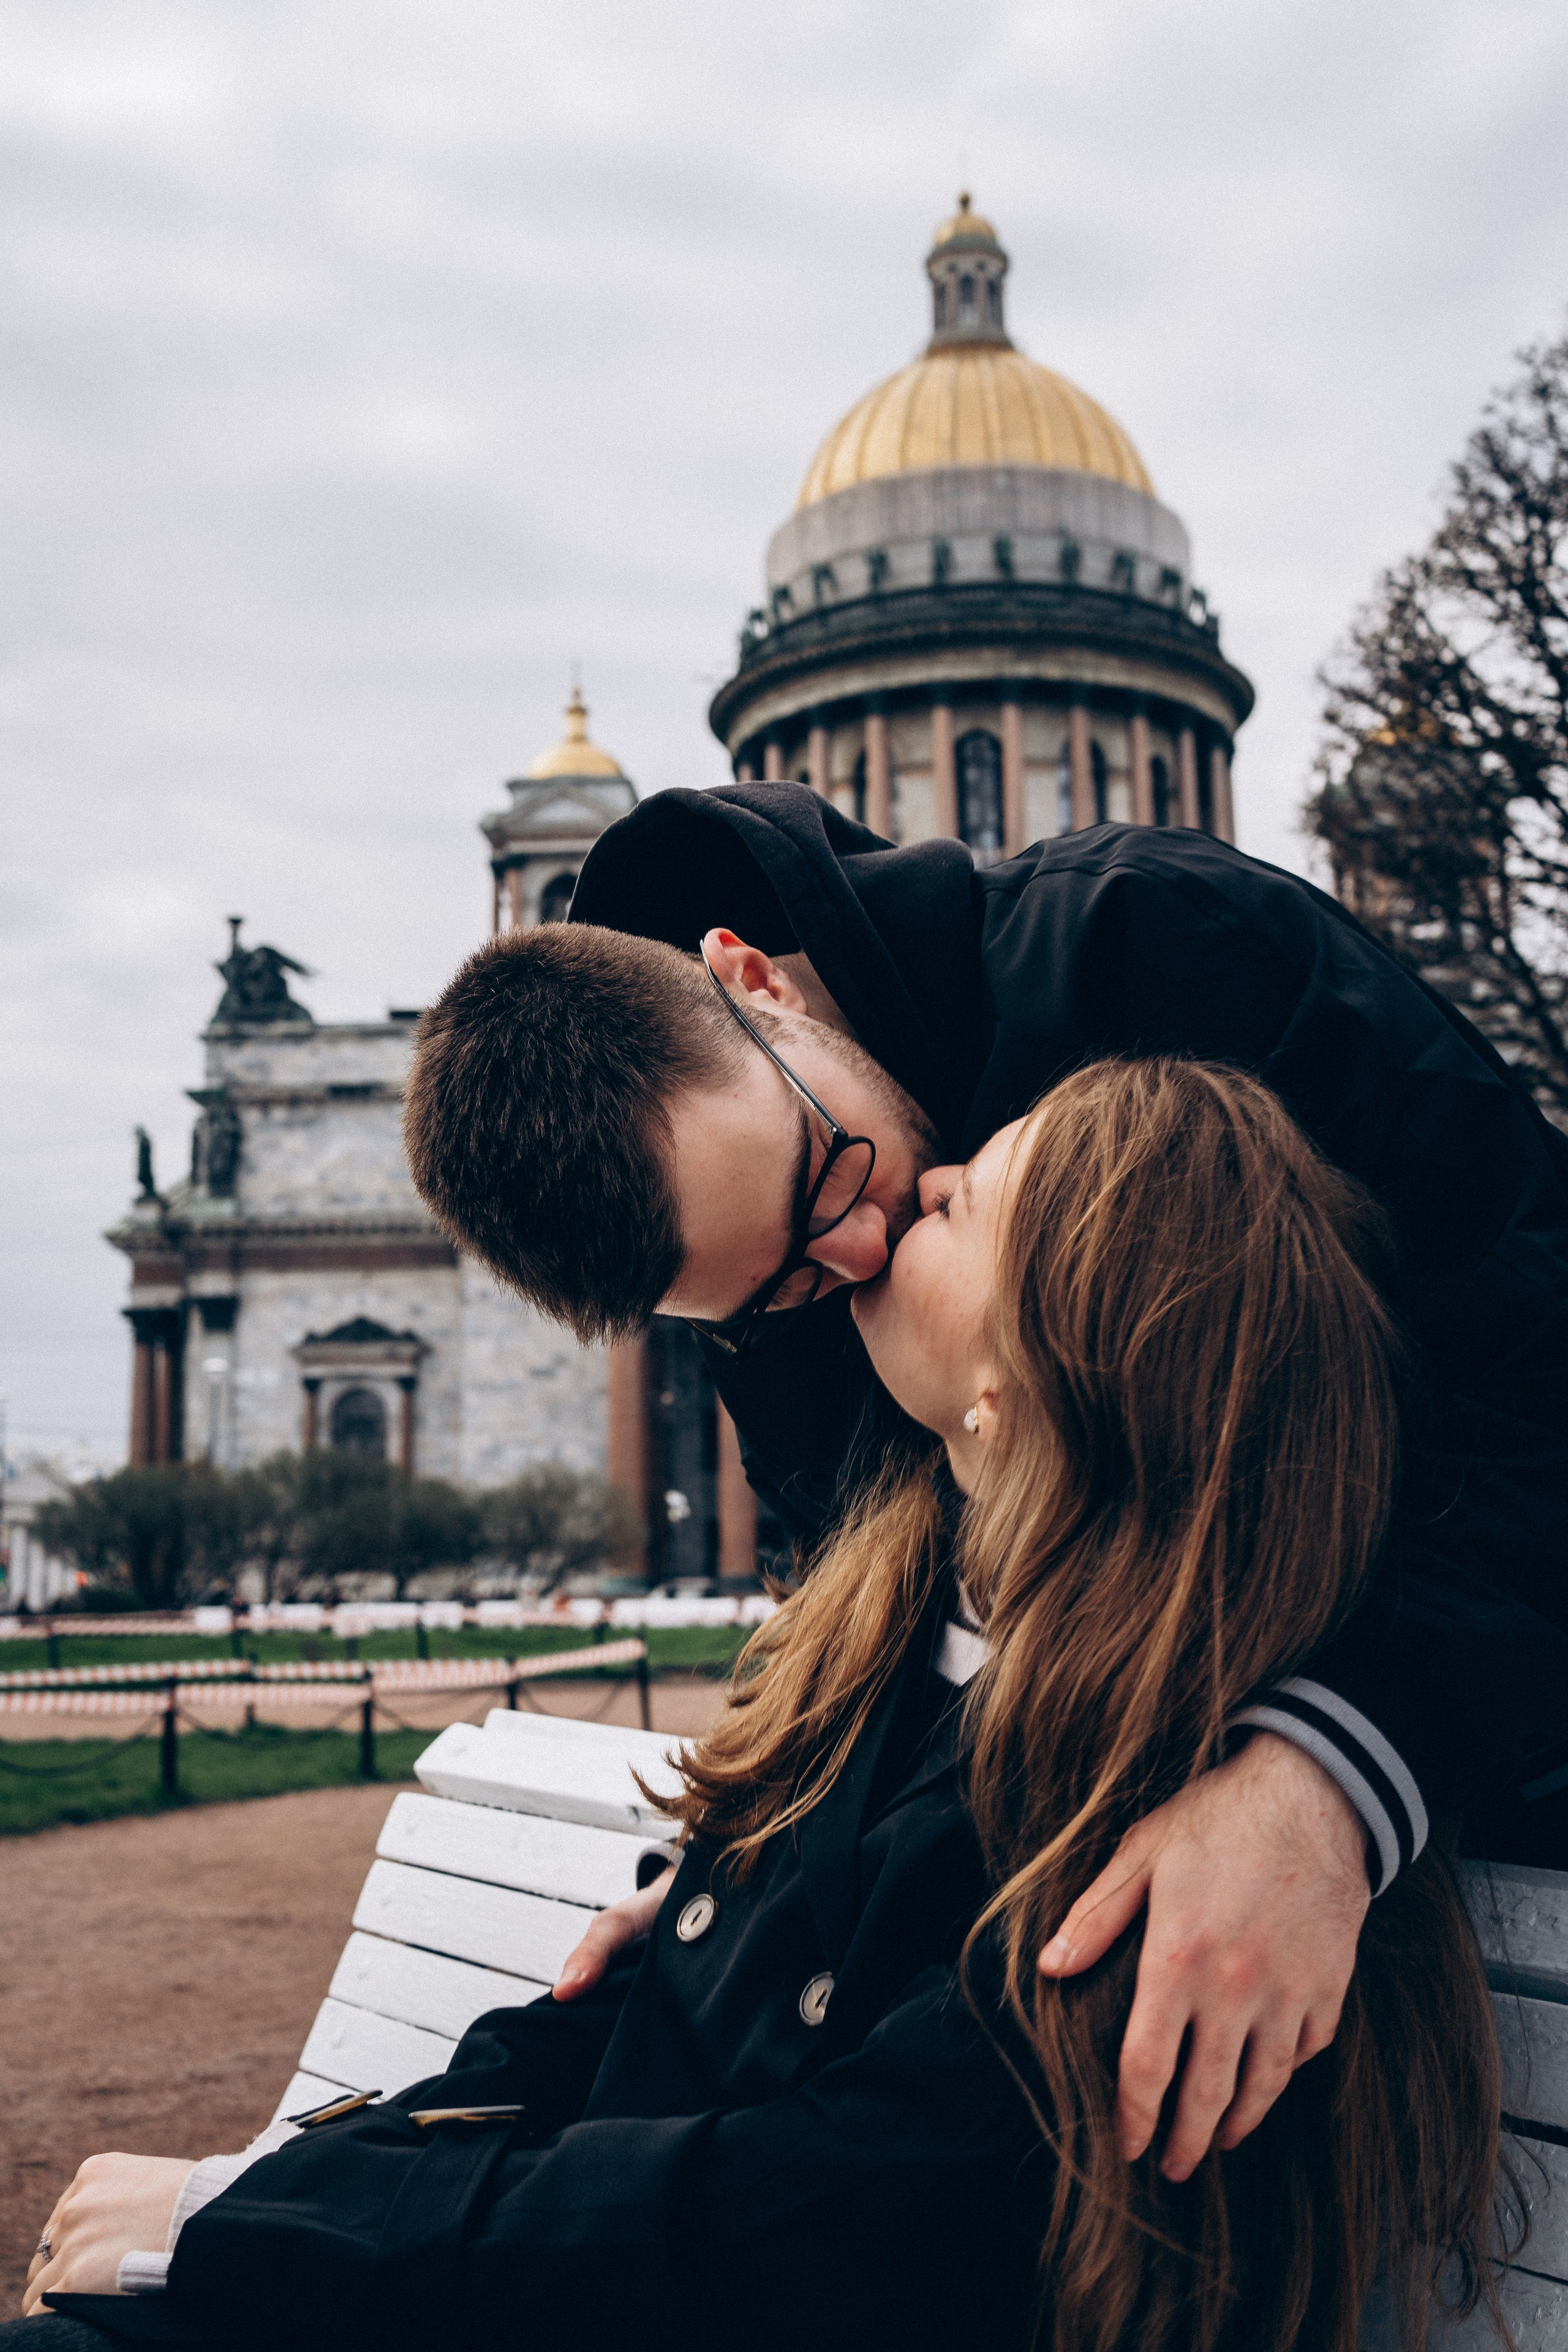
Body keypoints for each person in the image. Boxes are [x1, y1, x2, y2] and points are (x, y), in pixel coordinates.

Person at [20, 1061, 1509, 2352]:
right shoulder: (895, 1642)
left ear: (1017, 1380)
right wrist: (264, 2207)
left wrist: (239, 2224)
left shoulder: (1151, 1848)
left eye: (964, 1205)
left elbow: (826, 2218)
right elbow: (606, 2037)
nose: (915, 1189)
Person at [402, 784, 1568, 2174]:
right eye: (774, 1292)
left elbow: (1541, 1368)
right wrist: (755, 1877)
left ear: (753, 979)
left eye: (824, 1174)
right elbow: (866, 1605)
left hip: (1461, 1828)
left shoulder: (1166, 944)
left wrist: (1332, 1768)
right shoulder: (763, 1250)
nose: (858, 1255)